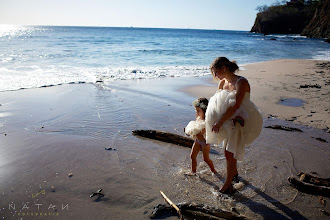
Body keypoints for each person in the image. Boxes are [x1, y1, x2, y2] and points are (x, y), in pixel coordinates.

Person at [205, 57, 263, 194]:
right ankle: (234, 173)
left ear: (224, 68)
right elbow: (217, 104)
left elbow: (237, 105)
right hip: (226, 121)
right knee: (229, 150)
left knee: (228, 152)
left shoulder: (241, 82)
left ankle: (228, 184)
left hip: (240, 119)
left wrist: (219, 122)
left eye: (216, 72)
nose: (215, 76)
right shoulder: (222, 83)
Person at [184, 98, 216, 175]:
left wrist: (192, 133)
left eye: (198, 111)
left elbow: (201, 132)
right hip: (197, 141)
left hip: (205, 142)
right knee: (192, 156)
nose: (197, 113)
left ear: (204, 111)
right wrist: (189, 130)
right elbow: (195, 127)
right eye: (196, 110)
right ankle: (193, 172)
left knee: (206, 159)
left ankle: (214, 171)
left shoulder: (206, 122)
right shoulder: (199, 117)